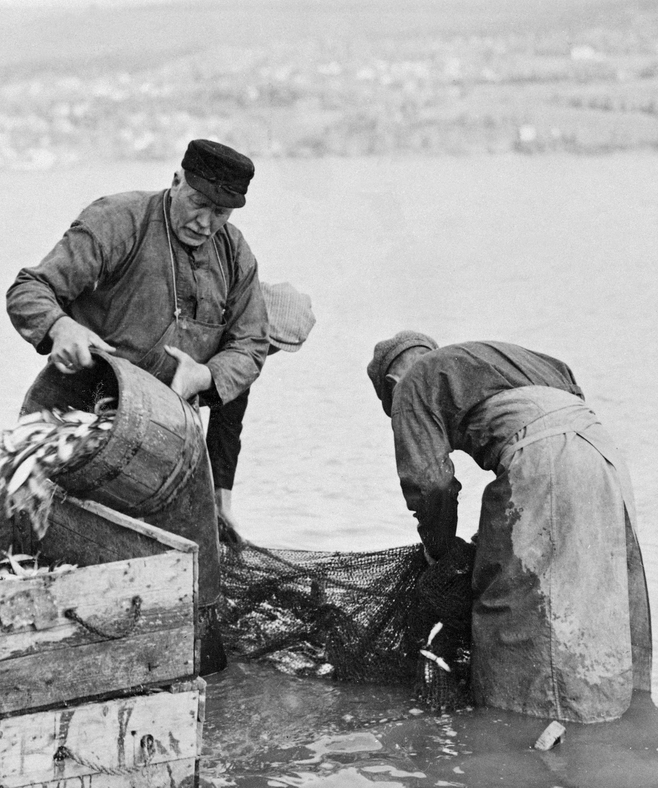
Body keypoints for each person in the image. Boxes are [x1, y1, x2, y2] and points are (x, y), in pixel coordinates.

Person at [6, 139, 269, 670]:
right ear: (176, 180)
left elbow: (251, 346)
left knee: (197, 578)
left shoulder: (235, 254)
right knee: (54, 557)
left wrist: (208, 374)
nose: (206, 221)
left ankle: (197, 681)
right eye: (198, 203)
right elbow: (28, 289)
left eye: (221, 212)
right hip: (78, 413)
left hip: (169, 432)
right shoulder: (117, 220)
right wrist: (59, 325)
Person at [367, 331, 651, 723]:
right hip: (604, 458)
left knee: (509, 607)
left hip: (546, 461)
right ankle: (621, 721)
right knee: (598, 590)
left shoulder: (412, 382)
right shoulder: (499, 357)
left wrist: (443, 552)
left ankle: (515, 728)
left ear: (390, 385)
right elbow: (557, 412)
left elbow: (429, 484)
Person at [208, 281, 315, 545]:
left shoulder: (246, 361)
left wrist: (223, 506)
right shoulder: (217, 316)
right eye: (271, 346)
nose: (267, 355)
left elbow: (227, 427)